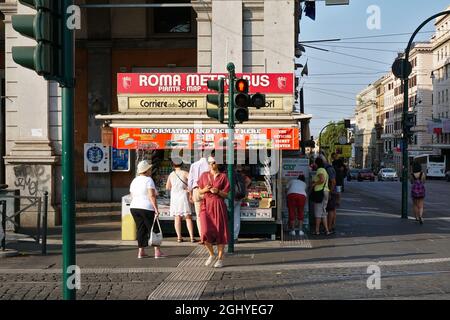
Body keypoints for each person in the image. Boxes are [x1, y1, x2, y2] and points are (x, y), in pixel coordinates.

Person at [197, 156, 230, 268]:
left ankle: (220, 258)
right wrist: (205, 190)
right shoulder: (204, 175)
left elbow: (226, 194)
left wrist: (218, 191)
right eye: (210, 162)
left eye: (213, 162)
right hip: (206, 205)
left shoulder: (223, 176)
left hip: (218, 205)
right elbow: (199, 191)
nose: (211, 164)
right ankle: (211, 254)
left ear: (218, 163)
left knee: (220, 231)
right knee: (205, 231)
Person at [129, 160, 166, 259]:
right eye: (149, 169)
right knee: (153, 228)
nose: (150, 170)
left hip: (134, 207)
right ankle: (157, 251)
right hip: (146, 207)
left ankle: (141, 251)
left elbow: (132, 195)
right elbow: (151, 195)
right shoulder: (148, 180)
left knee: (141, 228)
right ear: (146, 170)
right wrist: (156, 209)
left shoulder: (134, 180)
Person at [166, 161, 196, 243]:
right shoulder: (185, 173)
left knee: (177, 217)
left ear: (173, 165)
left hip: (174, 197)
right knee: (188, 217)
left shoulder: (171, 174)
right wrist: (187, 189)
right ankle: (192, 237)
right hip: (183, 195)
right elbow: (192, 182)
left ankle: (179, 237)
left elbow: (167, 187)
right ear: (182, 164)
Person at [188, 151, 210, 243]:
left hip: (196, 190)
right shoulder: (210, 165)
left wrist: (190, 193)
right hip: (207, 190)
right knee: (209, 214)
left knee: (199, 215)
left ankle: (202, 236)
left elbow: (190, 181)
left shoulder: (194, 165)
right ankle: (209, 236)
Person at [230, 168, 252, 242]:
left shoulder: (226, 173)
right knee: (236, 216)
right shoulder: (240, 174)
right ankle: (235, 236)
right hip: (239, 197)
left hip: (230, 197)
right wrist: (243, 188)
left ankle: (229, 235)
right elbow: (249, 181)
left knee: (228, 216)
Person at [311, 157, 331, 236]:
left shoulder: (320, 170)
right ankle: (327, 230)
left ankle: (317, 231)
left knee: (318, 213)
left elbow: (322, 180)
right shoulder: (325, 170)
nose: (314, 165)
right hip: (325, 191)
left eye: (315, 163)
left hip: (320, 193)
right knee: (323, 212)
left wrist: (314, 184)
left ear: (317, 163)